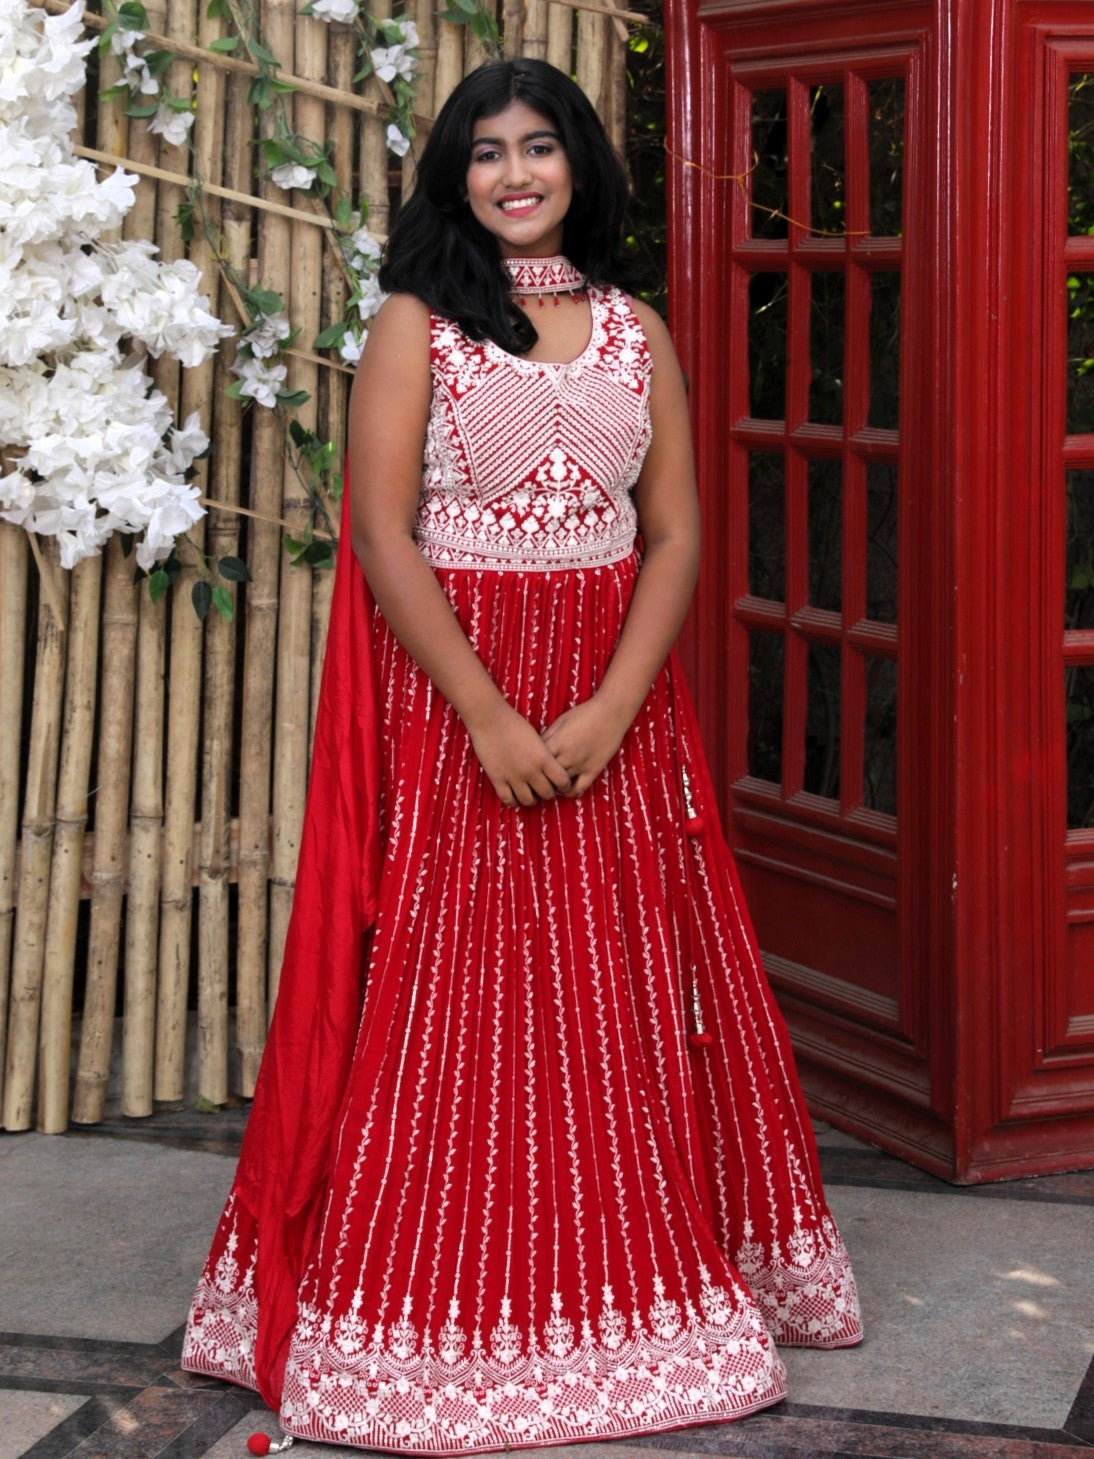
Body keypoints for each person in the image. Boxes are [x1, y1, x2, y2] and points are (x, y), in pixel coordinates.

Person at [182, 56, 862, 1455]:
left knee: (612, 997)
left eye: (538, 147)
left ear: (579, 168)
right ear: (452, 175)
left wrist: (612, 709)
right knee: (455, 1005)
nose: (513, 174)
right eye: (484, 152)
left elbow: (670, 533)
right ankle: (437, 1314)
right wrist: (489, 714)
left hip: (610, 702)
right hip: (458, 708)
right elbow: (384, 538)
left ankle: (627, 1295)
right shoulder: (416, 328)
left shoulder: (636, 333)